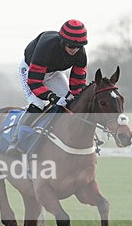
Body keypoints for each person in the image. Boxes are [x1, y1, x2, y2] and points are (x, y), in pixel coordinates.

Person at [7, 19, 89, 153]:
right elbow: (35, 82)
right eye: (70, 45)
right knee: (37, 104)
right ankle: (15, 140)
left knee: (71, 101)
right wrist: (53, 98)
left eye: (78, 46)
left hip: (52, 73)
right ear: (62, 41)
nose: (74, 50)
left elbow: (77, 84)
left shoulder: (81, 54)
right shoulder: (47, 46)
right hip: (30, 71)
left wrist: (75, 95)